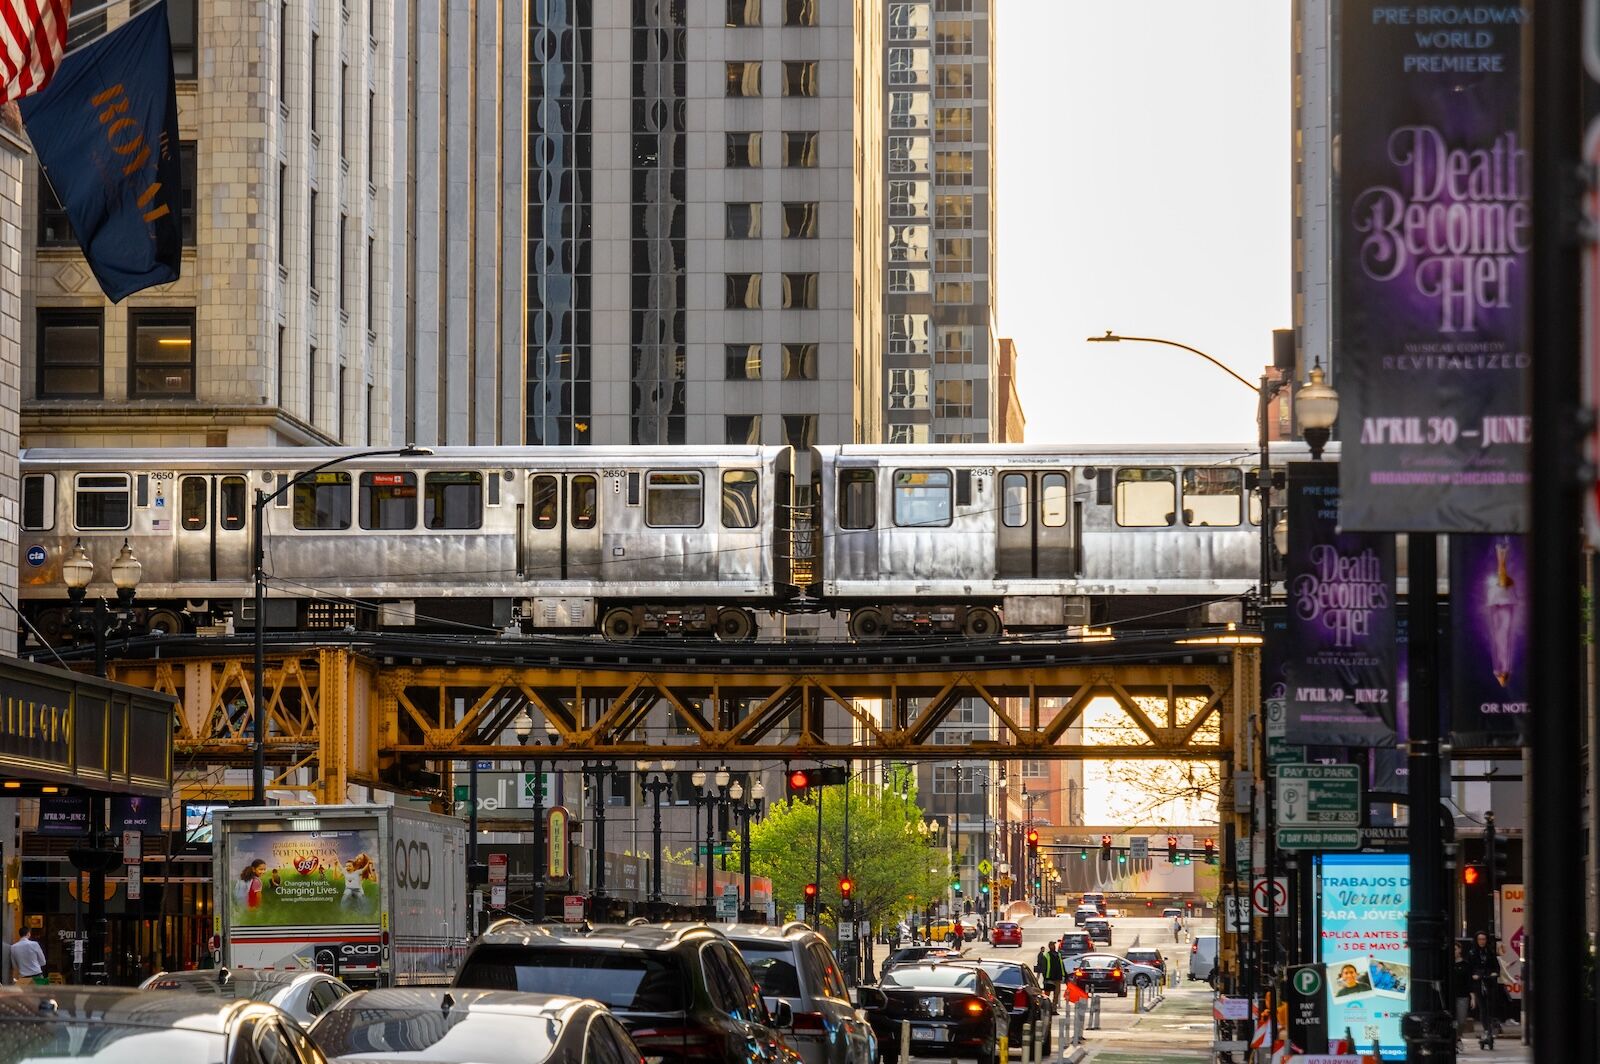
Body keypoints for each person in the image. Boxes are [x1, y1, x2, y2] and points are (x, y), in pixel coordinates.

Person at [1464, 931, 1500, 1042]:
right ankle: (1486, 1029)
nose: (1482, 942)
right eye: (1480, 939)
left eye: (1484, 939)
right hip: (1478, 982)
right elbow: (1469, 968)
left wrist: (1494, 973)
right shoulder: (1472, 953)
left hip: (1489, 981)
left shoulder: (1490, 952)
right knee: (1482, 1006)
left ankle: (1491, 1027)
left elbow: (1496, 967)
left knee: (1490, 1005)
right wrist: (1474, 975)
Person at [1066, 972, 1090, 1045]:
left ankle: (1078, 1035)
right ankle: (1077, 1036)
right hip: (1080, 996)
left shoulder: (1080, 974)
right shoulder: (1080, 975)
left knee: (1080, 1016)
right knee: (1079, 1015)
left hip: (1081, 996)